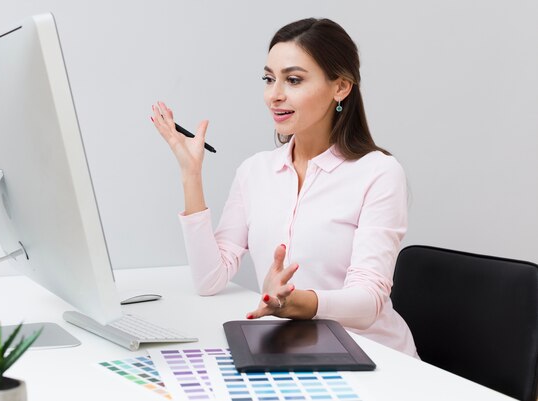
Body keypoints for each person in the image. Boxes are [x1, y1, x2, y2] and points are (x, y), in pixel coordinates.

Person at [150, 18, 418, 357]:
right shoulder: (255, 171)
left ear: (341, 87)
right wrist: (191, 175)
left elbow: (368, 303)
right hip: (294, 353)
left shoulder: (377, 173)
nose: (274, 95)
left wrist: (297, 303)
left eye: (293, 80)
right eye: (268, 79)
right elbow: (209, 279)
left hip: (375, 358)